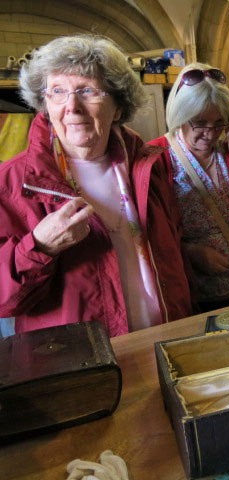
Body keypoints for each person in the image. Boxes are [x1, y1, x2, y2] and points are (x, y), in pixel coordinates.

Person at [0, 35, 192, 337]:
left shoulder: (148, 168)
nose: (72, 106)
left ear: (117, 107)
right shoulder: (11, 182)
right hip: (81, 367)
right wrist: (39, 247)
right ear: (45, 105)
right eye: (58, 92)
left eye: (87, 90)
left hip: (166, 342)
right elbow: (3, 300)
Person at [149, 63, 229, 312]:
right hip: (192, 296)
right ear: (179, 117)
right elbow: (152, 238)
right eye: (200, 123)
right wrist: (191, 252)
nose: (210, 134)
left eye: (219, 122)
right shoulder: (158, 157)